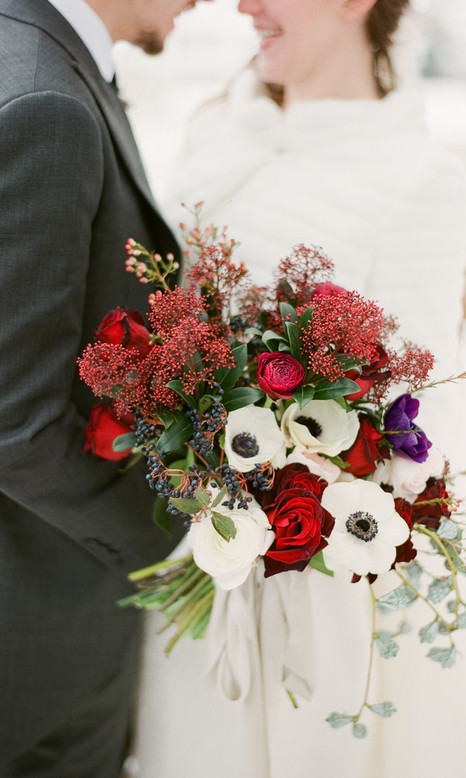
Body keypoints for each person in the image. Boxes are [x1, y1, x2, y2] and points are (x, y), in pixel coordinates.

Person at [134, 2, 466, 777]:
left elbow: (425, 411)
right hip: (200, 548)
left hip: (321, 579)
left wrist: (298, 475)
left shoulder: (415, 176)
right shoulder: (216, 125)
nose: (244, 5)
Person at [0, 1, 209, 775]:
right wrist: (169, 538)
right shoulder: (46, 100)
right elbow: (13, 423)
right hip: (33, 634)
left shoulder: (32, 52)